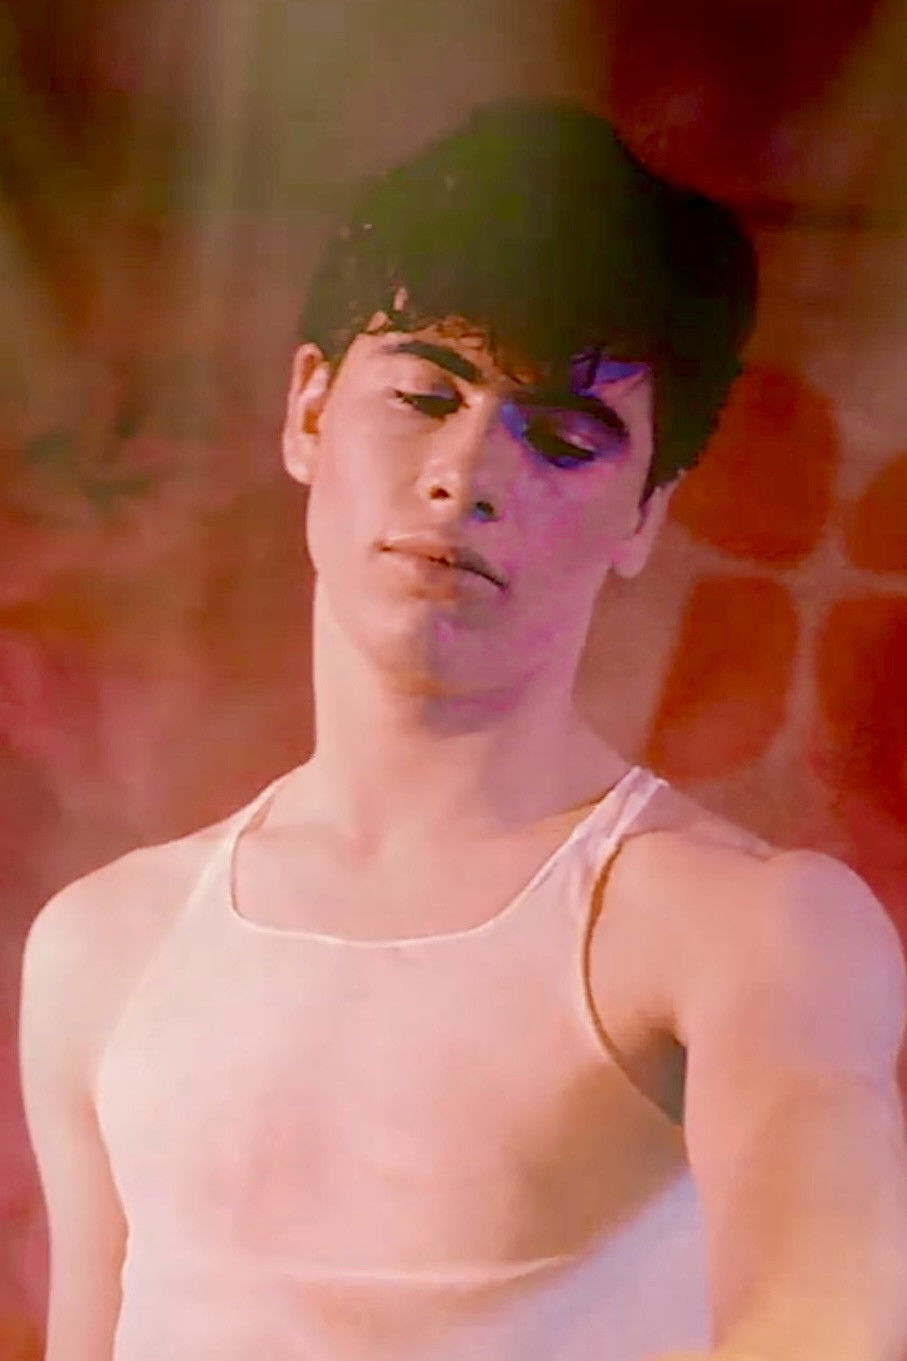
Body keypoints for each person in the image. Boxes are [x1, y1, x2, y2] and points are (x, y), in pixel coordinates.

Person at [18, 100, 907, 1361]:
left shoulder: (748, 932)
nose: (469, 473)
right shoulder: (104, 944)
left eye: (562, 437)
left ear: (645, 513)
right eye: (425, 393)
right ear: (309, 409)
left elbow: (825, 1327)